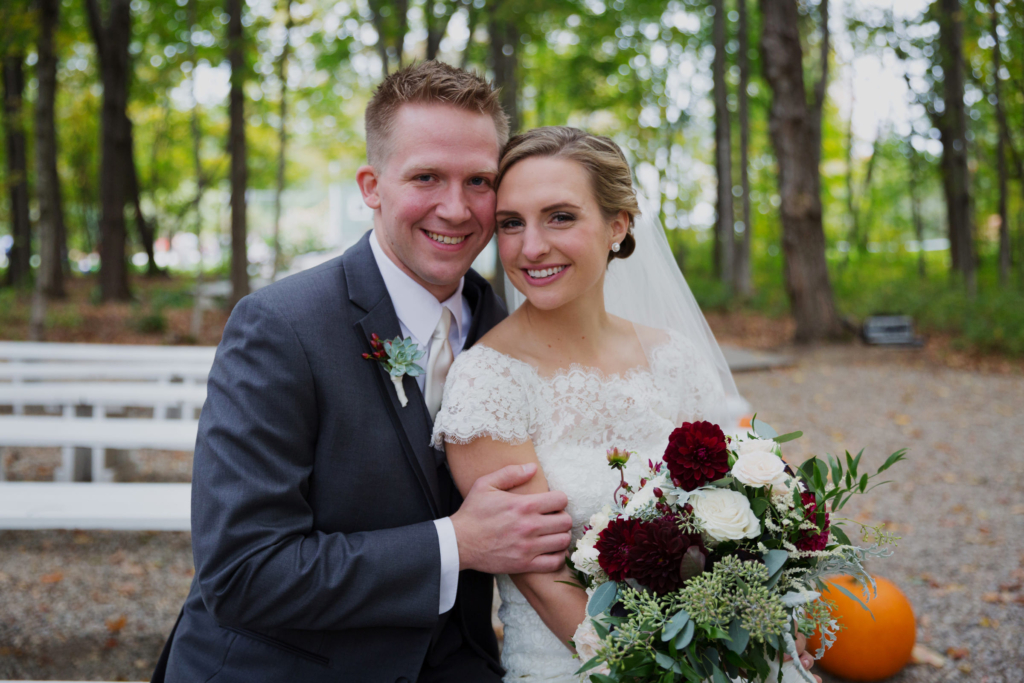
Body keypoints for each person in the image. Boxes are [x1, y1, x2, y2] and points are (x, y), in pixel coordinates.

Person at [151, 61, 575, 683]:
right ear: (372, 186)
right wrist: (456, 545)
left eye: (479, 181)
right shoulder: (280, 327)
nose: (455, 209)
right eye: (426, 176)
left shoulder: (509, 325)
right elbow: (242, 572)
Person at [432, 127, 821, 683]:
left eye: (560, 217)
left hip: (723, 645)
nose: (531, 246)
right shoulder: (487, 380)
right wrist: (657, 669)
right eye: (511, 223)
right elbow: (538, 573)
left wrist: (776, 615)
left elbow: (746, 503)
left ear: (618, 225)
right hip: (584, 662)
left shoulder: (673, 357)